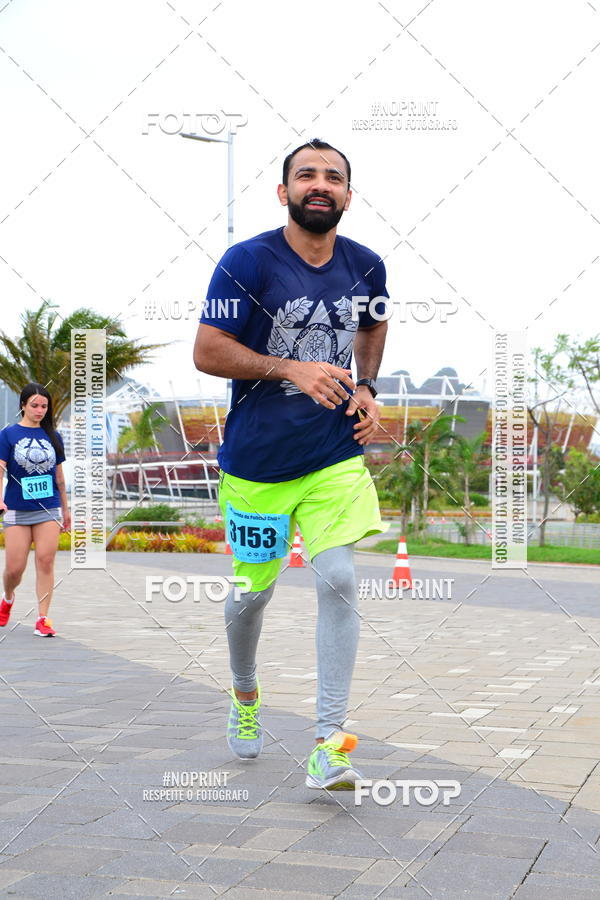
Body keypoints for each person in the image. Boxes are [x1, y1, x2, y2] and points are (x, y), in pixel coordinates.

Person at [193, 139, 389, 790]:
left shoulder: (366, 265)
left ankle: (329, 743)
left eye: (333, 177)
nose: (319, 184)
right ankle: (245, 691)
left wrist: (367, 386)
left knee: (340, 578)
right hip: (257, 463)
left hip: (333, 453)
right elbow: (207, 350)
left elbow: (373, 323)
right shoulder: (247, 262)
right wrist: (290, 368)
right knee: (252, 595)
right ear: (284, 192)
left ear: (348, 196)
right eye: (306, 175)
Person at [0, 383, 71, 636]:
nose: (40, 410)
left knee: (46, 560)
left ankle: (43, 619)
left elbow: (59, 478)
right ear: (23, 405)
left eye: (44, 406)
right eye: (35, 405)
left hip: (48, 507)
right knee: (14, 569)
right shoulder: (8, 434)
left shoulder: (54, 437)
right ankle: (8, 597)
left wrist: (66, 510)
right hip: (16, 509)